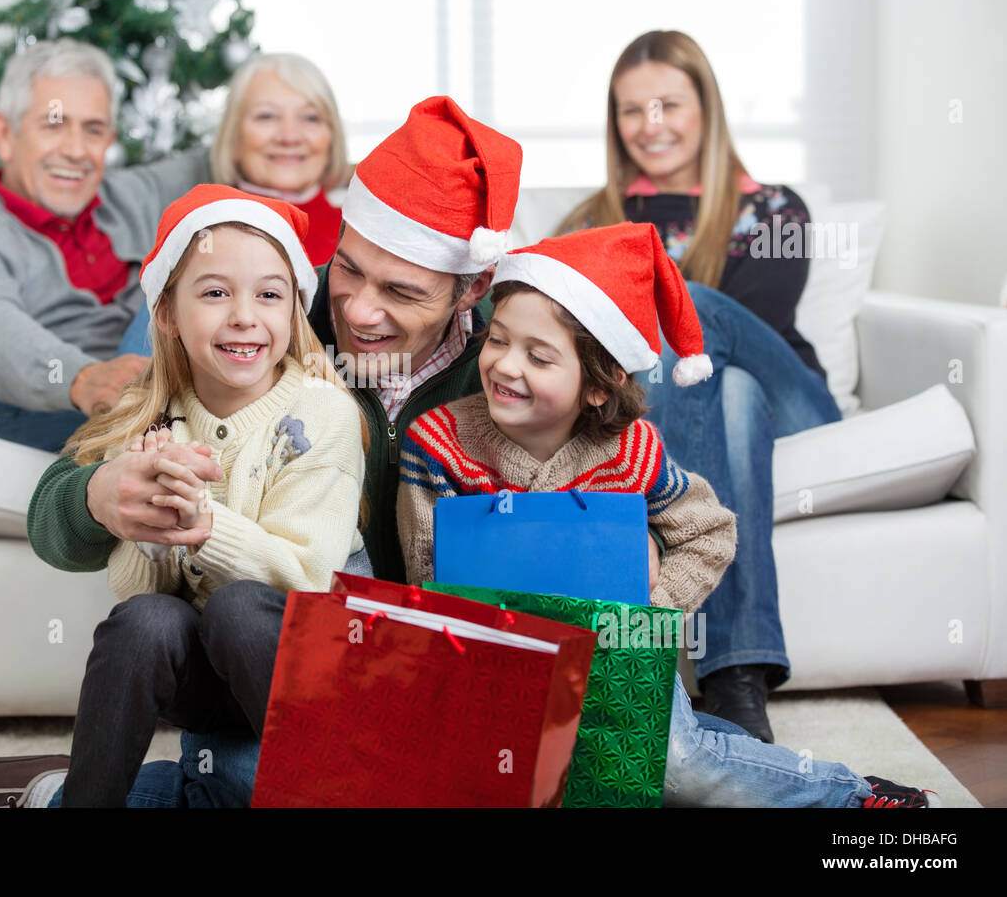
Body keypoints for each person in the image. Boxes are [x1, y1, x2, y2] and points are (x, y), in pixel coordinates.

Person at [396, 223, 939, 808]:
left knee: (675, 765)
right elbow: (426, 575)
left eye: (539, 355)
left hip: (617, 656)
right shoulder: (435, 444)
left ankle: (851, 795)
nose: (505, 365)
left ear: (600, 386)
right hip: (497, 660)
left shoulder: (634, 452)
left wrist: (650, 616)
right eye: (498, 340)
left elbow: (710, 532)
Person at [0, 185, 368, 808]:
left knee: (239, 610)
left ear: (294, 311)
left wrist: (207, 527)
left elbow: (312, 580)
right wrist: (150, 523)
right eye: (214, 293)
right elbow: (135, 594)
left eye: (269, 294)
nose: (244, 315)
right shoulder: (148, 418)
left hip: (309, 677)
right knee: (147, 620)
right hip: (217, 690)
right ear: (166, 316)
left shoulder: (322, 412)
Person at [556, 30, 842, 742]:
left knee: (711, 333)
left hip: (794, 402)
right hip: (719, 408)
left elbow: (751, 328)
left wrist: (655, 303)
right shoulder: (594, 220)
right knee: (730, 393)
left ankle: (711, 646)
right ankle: (734, 679)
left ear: (706, 108)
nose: (650, 125)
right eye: (631, 110)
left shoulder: (775, 210)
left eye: (668, 104)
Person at [0, 38, 211, 454]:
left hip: (140, 394)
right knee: (166, 303)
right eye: (54, 124)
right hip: (18, 407)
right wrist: (81, 377)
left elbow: (222, 155)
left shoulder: (128, 196)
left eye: (93, 130)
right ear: (5, 134)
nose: (76, 151)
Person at [209, 52, 350, 268]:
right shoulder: (202, 233)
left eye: (311, 117)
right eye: (267, 116)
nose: (289, 136)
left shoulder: (360, 236)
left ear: (332, 137)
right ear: (233, 137)